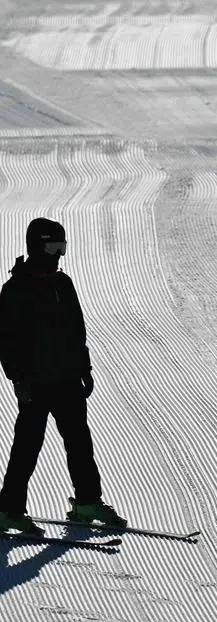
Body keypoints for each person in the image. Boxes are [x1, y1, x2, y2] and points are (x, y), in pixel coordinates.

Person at [0, 217, 125, 536]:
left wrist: (85, 369)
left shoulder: (63, 283)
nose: (58, 254)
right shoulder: (16, 290)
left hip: (68, 379)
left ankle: (87, 502)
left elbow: (76, 331)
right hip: (36, 384)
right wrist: (19, 379)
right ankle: (8, 511)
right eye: (53, 246)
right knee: (27, 447)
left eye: (62, 247)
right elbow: (7, 340)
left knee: (80, 443)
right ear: (36, 247)